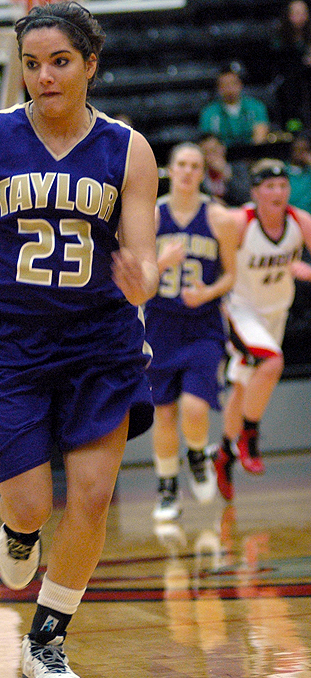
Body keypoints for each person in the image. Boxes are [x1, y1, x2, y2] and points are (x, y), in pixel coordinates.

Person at [0, 4, 159, 677]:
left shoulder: (127, 148)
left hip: (100, 340)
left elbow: (142, 254)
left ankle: (46, 644)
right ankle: (20, 529)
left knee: (90, 496)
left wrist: (143, 279)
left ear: (90, 65)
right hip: (7, 339)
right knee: (30, 502)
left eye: (59, 62)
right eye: (32, 64)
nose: (44, 76)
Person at [145, 142, 238, 522]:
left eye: (194, 165)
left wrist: (208, 293)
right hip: (159, 325)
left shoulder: (219, 217)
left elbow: (231, 274)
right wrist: (159, 262)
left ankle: (198, 456)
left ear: (203, 172)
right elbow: (136, 276)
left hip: (202, 325)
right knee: (164, 414)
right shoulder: (151, 216)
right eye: (181, 164)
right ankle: (167, 487)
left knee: (195, 408)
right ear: (170, 169)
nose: (187, 171)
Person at [214, 158, 311, 501]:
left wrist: (307, 272)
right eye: (269, 186)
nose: (278, 192)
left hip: (275, 314)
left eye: (283, 186)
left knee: (242, 387)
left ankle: (224, 450)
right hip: (241, 311)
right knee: (271, 363)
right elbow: (215, 259)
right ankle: (249, 436)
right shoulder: (241, 222)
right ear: (255, 192)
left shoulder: (301, 222)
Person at [198, 62, 270, 149]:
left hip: (252, 154)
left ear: (240, 85)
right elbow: (209, 142)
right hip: (222, 156)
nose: (229, 89)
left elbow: (260, 137)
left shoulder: (256, 106)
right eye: (225, 85)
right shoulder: (209, 112)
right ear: (219, 88)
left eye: (233, 83)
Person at [271, 0, 311, 132]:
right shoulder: (280, 38)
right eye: (296, 12)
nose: (301, 16)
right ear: (288, 15)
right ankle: (294, 127)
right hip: (290, 88)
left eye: (304, 12)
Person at [198, 133, 252, 207]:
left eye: (214, 150)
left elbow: (247, 197)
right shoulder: (200, 175)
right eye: (206, 153)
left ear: (223, 148)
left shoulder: (239, 169)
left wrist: (226, 174)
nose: (211, 156)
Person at [287, 130, 311, 213]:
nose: (300, 154)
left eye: (304, 150)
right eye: (297, 150)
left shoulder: (309, 172)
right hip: (292, 218)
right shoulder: (284, 172)